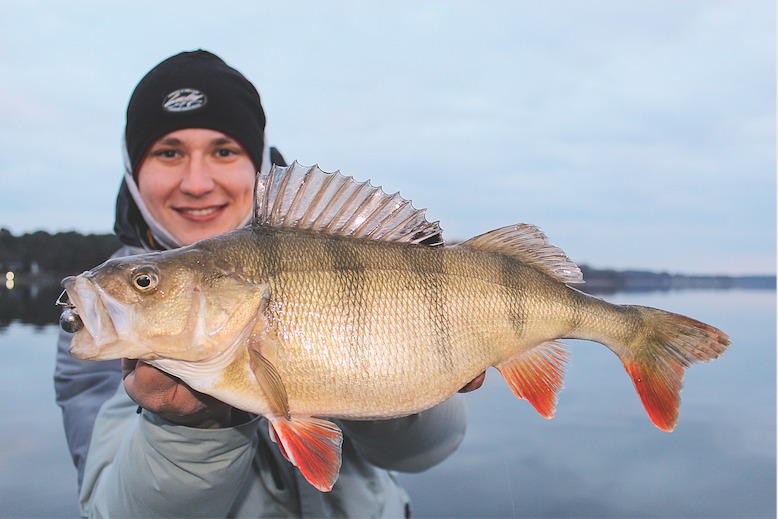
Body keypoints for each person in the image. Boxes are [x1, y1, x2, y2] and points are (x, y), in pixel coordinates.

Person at [54, 50, 471, 518]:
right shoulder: (110, 325)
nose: (196, 182)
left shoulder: (333, 248)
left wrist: (398, 376)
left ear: (257, 163)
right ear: (134, 173)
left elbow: (424, 453)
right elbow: (108, 510)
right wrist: (188, 430)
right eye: (169, 152)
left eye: (224, 151)